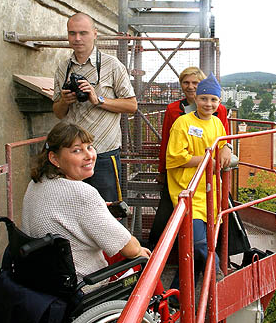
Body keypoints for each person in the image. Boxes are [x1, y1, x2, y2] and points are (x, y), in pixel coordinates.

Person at [22, 123, 150, 292]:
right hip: (81, 284)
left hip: (41, 275)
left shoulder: (37, 182)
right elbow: (130, 248)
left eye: (90, 147)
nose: (89, 155)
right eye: (77, 150)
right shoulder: (82, 193)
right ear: (54, 158)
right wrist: (140, 250)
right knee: (145, 260)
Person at [52, 13, 137, 202]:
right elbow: (58, 113)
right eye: (72, 33)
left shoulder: (112, 65)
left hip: (104, 154)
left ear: (95, 33)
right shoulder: (62, 68)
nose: (77, 39)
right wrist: (65, 101)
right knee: (73, 212)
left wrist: (98, 99)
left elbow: (132, 105)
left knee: (109, 212)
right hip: (72, 155)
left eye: (83, 33)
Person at [148, 67, 230, 248]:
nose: (190, 86)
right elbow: (167, 143)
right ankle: (163, 255)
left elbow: (224, 137)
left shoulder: (219, 112)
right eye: (186, 82)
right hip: (183, 174)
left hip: (207, 176)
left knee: (214, 215)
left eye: (195, 83)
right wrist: (163, 170)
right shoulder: (174, 110)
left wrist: (228, 148)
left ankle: (209, 258)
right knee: (172, 216)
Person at [166, 73, 232, 288]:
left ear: (219, 102)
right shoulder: (182, 123)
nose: (208, 103)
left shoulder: (217, 124)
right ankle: (216, 274)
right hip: (188, 190)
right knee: (198, 242)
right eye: (204, 98)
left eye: (213, 100)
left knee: (200, 245)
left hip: (211, 192)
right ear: (196, 99)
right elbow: (175, 157)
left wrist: (226, 148)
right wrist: (207, 162)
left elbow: (222, 144)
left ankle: (179, 289)